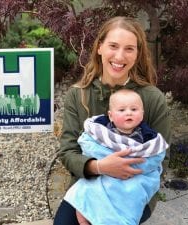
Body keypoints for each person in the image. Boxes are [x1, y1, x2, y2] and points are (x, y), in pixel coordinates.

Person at [53, 16, 171, 225]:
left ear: (137, 54)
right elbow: (68, 152)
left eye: (129, 49)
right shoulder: (78, 95)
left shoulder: (153, 98)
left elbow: (163, 155)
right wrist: (100, 167)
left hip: (133, 188)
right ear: (99, 48)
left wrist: (132, 178)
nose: (119, 55)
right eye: (113, 46)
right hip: (88, 183)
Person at [64, 89, 168, 225]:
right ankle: (85, 214)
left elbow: (155, 156)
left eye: (134, 109)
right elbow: (88, 145)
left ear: (142, 115)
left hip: (132, 178)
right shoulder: (102, 131)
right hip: (100, 174)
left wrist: (133, 166)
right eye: (122, 110)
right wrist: (100, 165)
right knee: (87, 192)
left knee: (130, 196)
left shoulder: (146, 137)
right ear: (111, 116)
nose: (128, 112)